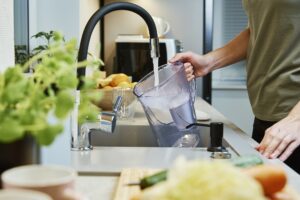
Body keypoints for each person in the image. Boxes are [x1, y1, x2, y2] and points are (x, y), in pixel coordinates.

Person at [170, 0, 300, 173]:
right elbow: (259, 30)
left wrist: (297, 119)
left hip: (294, 123)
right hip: (268, 117)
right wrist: (208, 62)